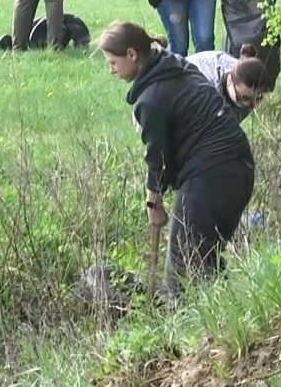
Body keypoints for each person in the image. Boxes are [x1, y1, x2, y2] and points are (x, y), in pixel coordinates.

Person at [98, 20, 255, 297]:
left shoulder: (151, 100)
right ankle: (229, 316)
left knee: (181, 273)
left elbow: (157, 159)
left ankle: (189, 332)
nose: (110, 70)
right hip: (240, 166)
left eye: (113, 62)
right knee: (205, 260)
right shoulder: (177, 66)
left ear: (132, 55)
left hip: (212, 174)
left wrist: (153, 202)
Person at [186, 45, 270, 125]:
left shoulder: (242, 69)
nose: (247, 104)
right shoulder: (207, 91)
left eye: (256, 99)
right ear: (230, 81)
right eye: (243, 98)